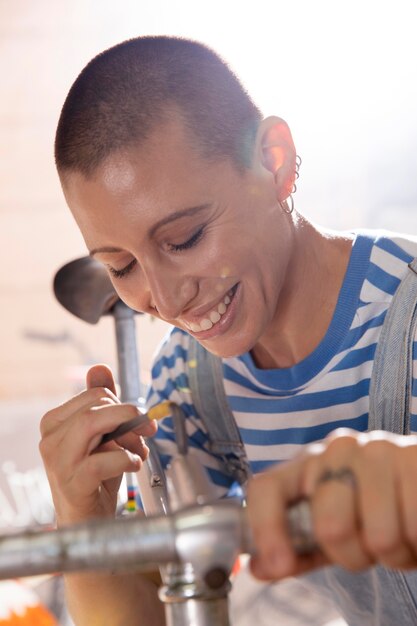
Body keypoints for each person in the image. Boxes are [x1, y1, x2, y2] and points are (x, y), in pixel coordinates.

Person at [40, 35, 417, 626]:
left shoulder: (409, 318)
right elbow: (147, 612)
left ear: (274, 161)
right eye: (122, 266)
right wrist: (84, 524)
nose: (164, 300)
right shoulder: (190, 382)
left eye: (185, 238)